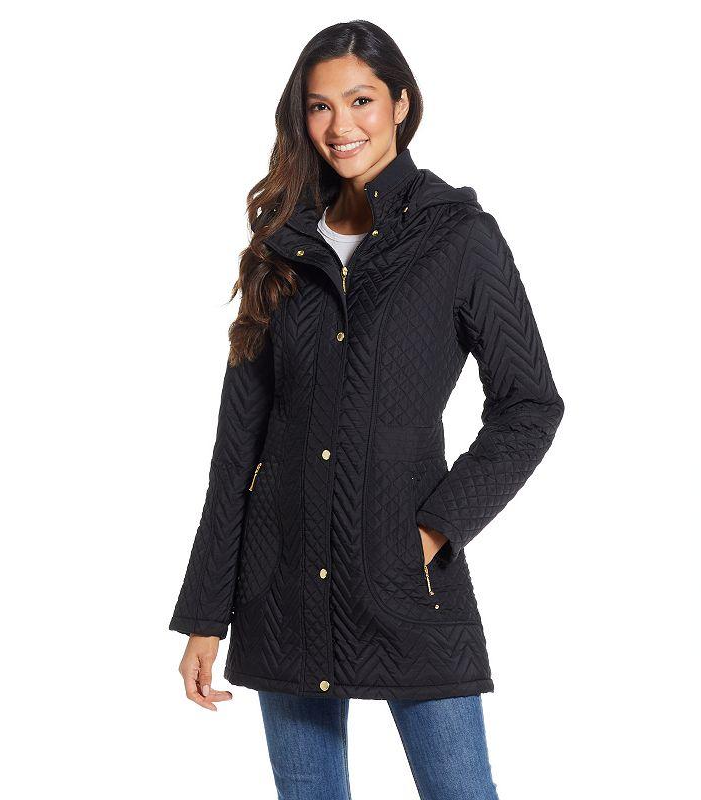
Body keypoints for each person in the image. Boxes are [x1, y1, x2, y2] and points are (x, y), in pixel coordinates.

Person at [169, 19, 564, 800]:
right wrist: (206, 613)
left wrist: (435, 529)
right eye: (320, 106)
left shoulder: (459, 237)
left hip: (405, 585)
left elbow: (530, 405)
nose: (340, 125)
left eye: (361, 100)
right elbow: (237, 444)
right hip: (282, 589)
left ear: (401, 104)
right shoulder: (281, 247)